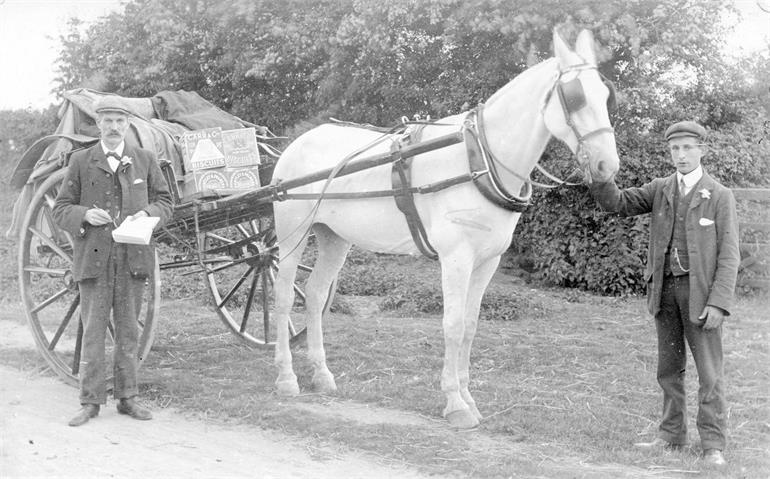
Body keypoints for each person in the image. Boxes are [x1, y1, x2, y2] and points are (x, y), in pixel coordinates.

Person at [588, 121, 740, 466]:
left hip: (701, 296)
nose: (681, 155)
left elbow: (730, 255)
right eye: (675, 149)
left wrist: (718, 302)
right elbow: (617, 204)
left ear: (702, 150)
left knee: (709, 373)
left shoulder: (719, 195)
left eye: (688, 148)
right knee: (668, 370)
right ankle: (671, 435)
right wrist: (600, 175)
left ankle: (713, 444)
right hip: (664, 291)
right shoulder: (661, 188)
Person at [53, 95, 173, 427]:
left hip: (133, 256)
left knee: (128, 331)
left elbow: (165, 201)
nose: (114, 127)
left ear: (128, 125)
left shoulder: (144, 160)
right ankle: (90, 402)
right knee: (93, 331)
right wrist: (84, 213)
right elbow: (60, 208)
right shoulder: (81, 161)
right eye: (107, 121)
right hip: (94, 259)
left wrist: (148, 213)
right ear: (98, 124)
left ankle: (127, 398)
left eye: (120, 121)